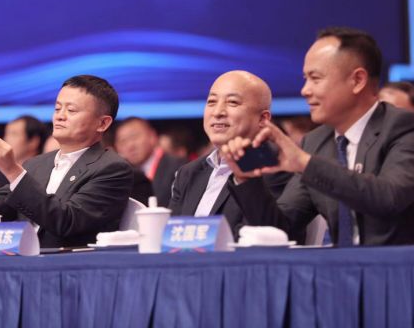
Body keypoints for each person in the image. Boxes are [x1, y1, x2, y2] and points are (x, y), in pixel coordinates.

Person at [222, 27, 414, 246]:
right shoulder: (316, 142)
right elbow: (282, 229)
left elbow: (389, 198)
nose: (305, 90)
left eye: (315, 78)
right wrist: (246, 179)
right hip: (342, 267)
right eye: (305, 79)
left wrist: (305, 163)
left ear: (358, 80)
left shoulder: (404, 127)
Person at [0, 75, 133, 248]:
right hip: (21, 263)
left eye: (71, 110)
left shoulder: (112, 168)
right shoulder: (36, 164)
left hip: (71, 265)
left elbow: (67, 222)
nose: (60, 116)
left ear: (102, 123)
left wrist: (13, 171)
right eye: (57, 108)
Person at [168, 71, 290, 239]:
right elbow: (171, 236)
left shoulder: (275, 167)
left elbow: (270, 236)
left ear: (263, 119)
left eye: (232, 102)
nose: (217, 112)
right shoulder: (188, 173)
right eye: (211, 102)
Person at [115, 117, 186, 207]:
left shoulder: (179, 168)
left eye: (134, 137)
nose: (130, 146)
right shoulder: (119, 176)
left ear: (152, 136)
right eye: (123, 141)